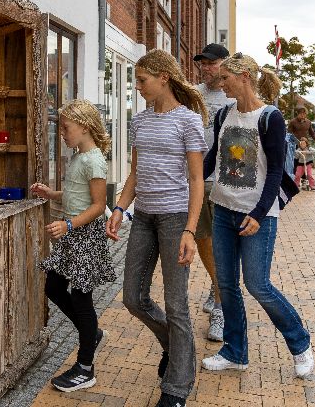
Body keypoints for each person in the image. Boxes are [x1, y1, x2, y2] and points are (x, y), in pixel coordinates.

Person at [201, 53, 314, 378]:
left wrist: (259, 213)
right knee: (227, 285)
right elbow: (213, 158)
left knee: (258, 285)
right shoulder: (224, 114)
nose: (221, 83)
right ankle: (235, 352)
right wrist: (189, 183)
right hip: (223, 209)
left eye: (226, 78)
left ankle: (300, 343)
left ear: (245, 77)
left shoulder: (270, 117)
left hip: (257, 215)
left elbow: (276, 170)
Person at [106, 49, 207, 407]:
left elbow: (196, 180)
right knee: (133, 298)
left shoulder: (188, 121)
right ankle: (177, 347)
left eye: (142, 80)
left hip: (175, 219)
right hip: (144, 218)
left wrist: (190, 231)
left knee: (177, 305)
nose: (137, 87)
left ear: (164, 77)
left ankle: (177, 387)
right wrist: (120, 208)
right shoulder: (140, 121)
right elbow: (135, 172)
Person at [31, 99, 115, 393]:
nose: (63, 134)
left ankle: (86, 367)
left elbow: (98, 205)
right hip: (73, 236)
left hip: (85, 236)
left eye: (66, 128)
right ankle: (91, 333)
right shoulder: (79, 157)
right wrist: (51, 194)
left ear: (84, 127)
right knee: (54, 288)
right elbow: (75, 194)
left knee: (81, 300)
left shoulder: (94, 161)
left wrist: (68, 225)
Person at [193, 43, 235, 343]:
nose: (206, 68)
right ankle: (216, 286)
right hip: (198, 179)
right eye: (203, 63)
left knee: (221, 245)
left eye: (212, 63)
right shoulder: (193, 94)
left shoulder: (233, 96)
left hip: (227, 181)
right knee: (203, 241)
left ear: (225, 65)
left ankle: (220, 307)